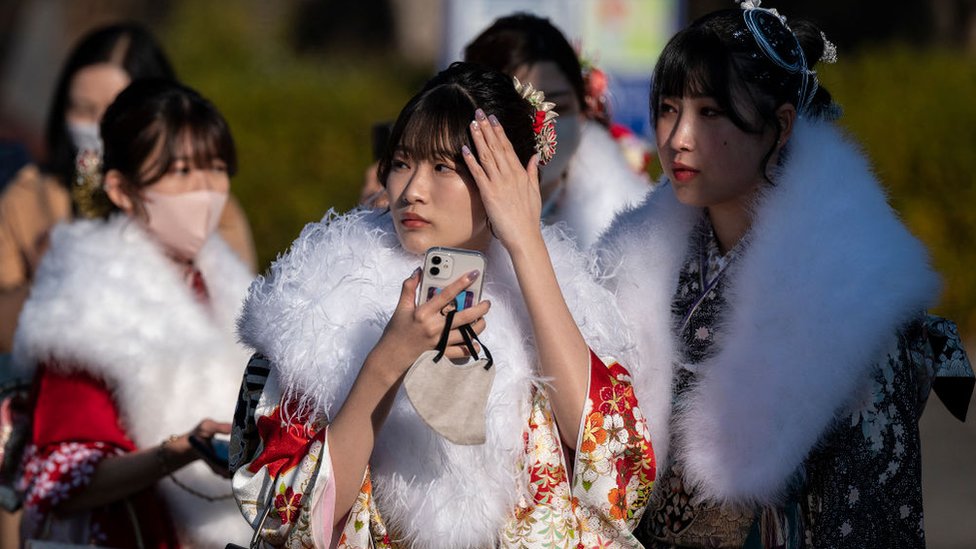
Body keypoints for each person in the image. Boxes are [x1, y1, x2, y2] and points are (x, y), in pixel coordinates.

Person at [595, 2, 974, 547]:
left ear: (780, 125)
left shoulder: (848, 296)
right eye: (669, 108)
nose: (678, 137)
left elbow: (870, 522)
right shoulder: (639, 263)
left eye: (710, 113)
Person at [231, 62, 655, 548]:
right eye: (402, 162)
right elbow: (288, 515)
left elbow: (617, 470)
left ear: (508, 179)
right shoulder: (320, 303)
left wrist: (526, 244)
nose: (411, 191)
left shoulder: (562, 298)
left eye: (443, 167)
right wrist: (386, 360)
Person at [12, 79, 254, 547]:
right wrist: (178, 452)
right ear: (122, 190)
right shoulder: (87, 303)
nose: (205, 190)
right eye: (181, 171)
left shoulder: (227, 285)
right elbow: (58, 477)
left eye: (217, 168)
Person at [0, 22, 257, 354]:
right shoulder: (29, 196)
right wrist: (45, 281)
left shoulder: (203, 204)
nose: (96, 125)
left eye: (113, 109)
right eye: (81, 108)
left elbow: (237, 325)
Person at [463, 12, 651, 249]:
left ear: (584, 109)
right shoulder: (432, 210)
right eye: (520, 108)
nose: (541, 128)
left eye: (559, 107)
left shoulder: (629, 230)